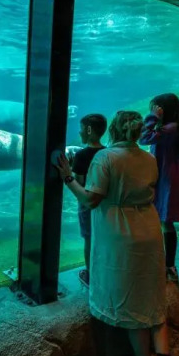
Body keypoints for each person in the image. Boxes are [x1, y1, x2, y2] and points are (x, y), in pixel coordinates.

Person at [56, 110, 179, 356]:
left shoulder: (106, 158)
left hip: (120, 233)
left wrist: (68, 178)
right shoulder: (149, 158)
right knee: (152, 298)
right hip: (149, 229)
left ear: (113, 129)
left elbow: (91, 199)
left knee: (131, 301)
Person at [139, 93, 179, 283]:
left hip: (166, 180)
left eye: (155, 109)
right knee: (164, 222)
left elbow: (143, 138)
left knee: (164, 221)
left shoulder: (168, 129)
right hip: (168, 178)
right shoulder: (174, 127)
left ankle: (167, 264)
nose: (152, 111)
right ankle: (167, 264)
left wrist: (152, 118)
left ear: (163, 111)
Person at [71, 114, 108, 287]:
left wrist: (68, 174)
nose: (79, 132)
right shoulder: (108, 153)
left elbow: (79, 184)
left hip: (87, 204)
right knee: (102, 237)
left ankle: (90, 274)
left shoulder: (81, 155)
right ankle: (104, 270)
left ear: (88, 130)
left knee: (88, 238)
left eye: (81, 129)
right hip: (105, 203)